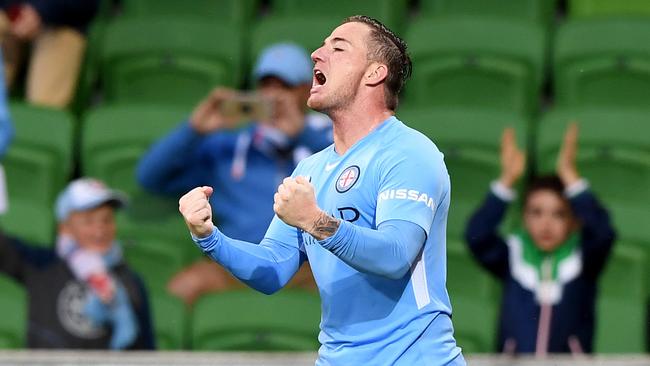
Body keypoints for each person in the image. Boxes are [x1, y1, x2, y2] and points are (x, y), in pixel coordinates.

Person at [179, 15, 465, 365]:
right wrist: (209, 237)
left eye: (338, 47)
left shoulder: (408, 152)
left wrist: (316, 222)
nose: (316, 54)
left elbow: (394, 255)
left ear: (374, 73)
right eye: (322, 45)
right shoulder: (310, 170)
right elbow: (272, 269)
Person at [137, 42, 330, 304]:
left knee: (355, 286)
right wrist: (194, 129)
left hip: (308, 266)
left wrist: (300, 134)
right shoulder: (227, 146)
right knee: (184, 286)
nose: (273, 95)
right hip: (236, 264)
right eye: (266, 85)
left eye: (284, 87)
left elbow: (356, 174)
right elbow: (150, 178)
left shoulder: (324, 139)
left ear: (304, 91)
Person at [464, 125, 616, 355]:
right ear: (523, 217)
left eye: (559, 214)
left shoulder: (582, 260)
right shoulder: (513, 258)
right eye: (536, 212)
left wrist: (571, 178)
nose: (546, 224)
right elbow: (477, 236)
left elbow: (604, 233)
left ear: (573, 221)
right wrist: (506, 182)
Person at [0, 178, 155, 349]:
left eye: (107, 220)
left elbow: (146, 350)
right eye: (88, 221)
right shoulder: (42, 264)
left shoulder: (130, 280)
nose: (99, 230)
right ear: (64, 227)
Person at [0, 0, 99, 108]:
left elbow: (86, 5)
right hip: (12, 11)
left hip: (62, 20)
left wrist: (41, 11)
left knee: (43, 107)